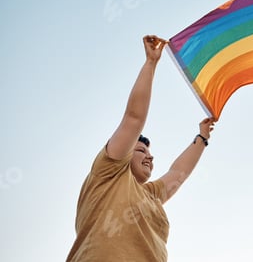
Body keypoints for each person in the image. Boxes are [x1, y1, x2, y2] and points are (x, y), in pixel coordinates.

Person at [66, 35, 215, 262]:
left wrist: (202, 138)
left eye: (149, 152)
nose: (150, 156)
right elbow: (133, 119)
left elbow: (178, 173)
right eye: (141, 151)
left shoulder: (151, 195)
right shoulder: (109, 171)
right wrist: (151, 64)